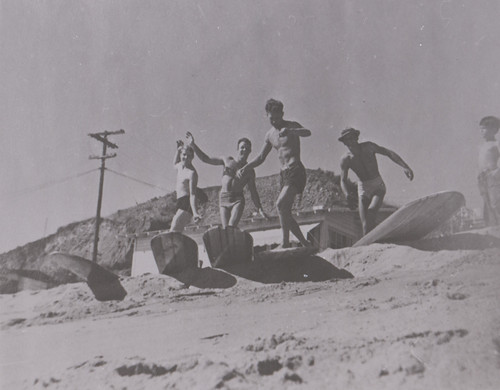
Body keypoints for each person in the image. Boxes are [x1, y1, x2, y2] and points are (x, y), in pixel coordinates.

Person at [237, 98, 312, 248]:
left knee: (280, 204)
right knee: (285, 212)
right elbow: (260, 157)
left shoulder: (291, 125)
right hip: (283, 175)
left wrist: (292, 131)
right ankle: (305, 243)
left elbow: (307, 132)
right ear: (267, 115)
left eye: (278, 118)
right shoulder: (269, 135)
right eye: (272, 118)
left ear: (282, 114)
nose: (275, 121)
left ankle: (284, 243)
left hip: (296, 170)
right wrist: (246, 167)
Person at [338, 127, 414, 235]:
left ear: (356, 138)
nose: (350, 141)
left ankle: (381, 231)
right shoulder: (345, 159)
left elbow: (388, 153)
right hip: (363, 187)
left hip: (377, 184)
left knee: (371, 211)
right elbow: (343, 180)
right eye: (347, 139)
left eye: (352, 138)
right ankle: (369, 247)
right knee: (365, 225)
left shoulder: (368, 147)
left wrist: (405, 167)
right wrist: (347, 195)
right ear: (344, 142)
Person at [185, 132, 268, 228]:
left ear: (250, 151)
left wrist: (260, 208)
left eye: (247, 148)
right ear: (238, 149)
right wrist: (193, 145)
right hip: (223, 198)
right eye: (242, 147)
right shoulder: (227, 160)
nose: (244, 150)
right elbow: (205, 159)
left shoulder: (250, 171)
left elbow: (253, 192)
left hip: (237, 200)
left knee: (231, 227)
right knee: (226, 230)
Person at [170, 140, 202, 232]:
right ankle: (180, 246)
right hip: (179, 201)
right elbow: (174, 164)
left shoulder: (192, 173)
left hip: (187, 203)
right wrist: (177, 150)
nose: (186, 157)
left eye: (188, 156)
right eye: (184, 155)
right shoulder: (180, 166)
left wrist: (195, 213)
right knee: (176, 230)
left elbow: (193, 194)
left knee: (174, 227)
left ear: (192, 157)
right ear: (181, 155)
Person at [477, 115, 500, 226]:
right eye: (480, 128)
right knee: (487, 202)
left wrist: (496, 171)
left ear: (494, 129)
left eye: (484, 128)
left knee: (495, 201)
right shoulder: (482, 146)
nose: (482, 131)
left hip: (493, 175)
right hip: (483, 177)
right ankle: (493, 225)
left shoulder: (496, 144)